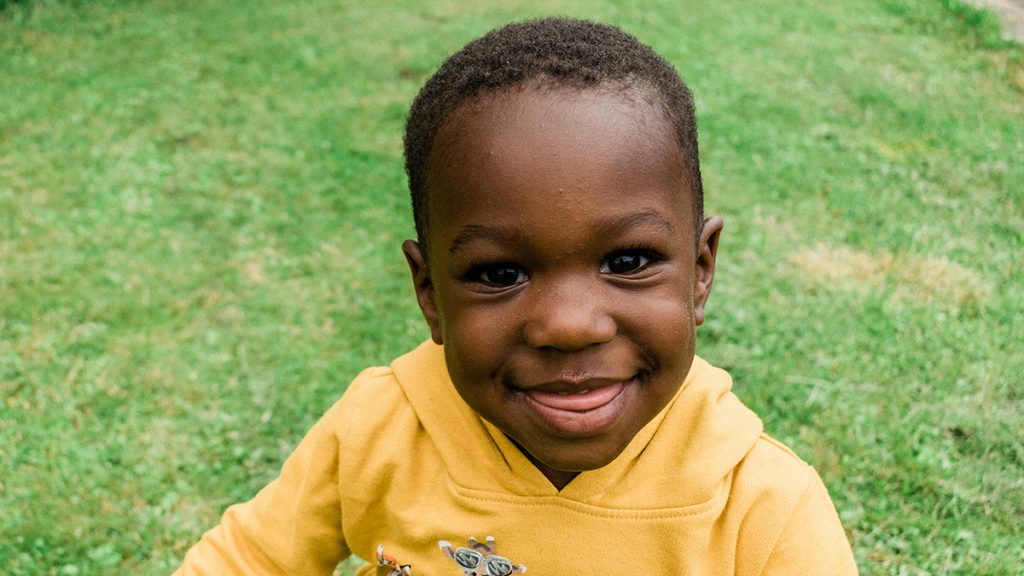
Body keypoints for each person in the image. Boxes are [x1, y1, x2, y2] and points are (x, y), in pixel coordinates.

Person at [175, 17, 858, 575]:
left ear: (701, 270)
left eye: (628, 260)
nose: (568, 326)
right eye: (500, 274)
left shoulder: (763, 510)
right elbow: (248, 559)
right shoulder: (382, 427)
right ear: (430, 293)